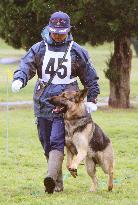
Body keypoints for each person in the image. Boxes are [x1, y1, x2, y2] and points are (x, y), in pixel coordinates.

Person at [12, 11, 100, 194]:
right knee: (46, 143)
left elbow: (90, 77)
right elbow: (26, 65)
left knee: (57, 142)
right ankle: (56, 182)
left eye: (62, 32)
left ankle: (51, 180)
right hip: (43, 102)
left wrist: (92, 98)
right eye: (55, 31)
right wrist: (20, 78)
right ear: (49, 29)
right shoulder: (38, 48)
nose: (58, 35)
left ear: (68, 30)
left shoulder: (77, 50)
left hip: (67, 107)